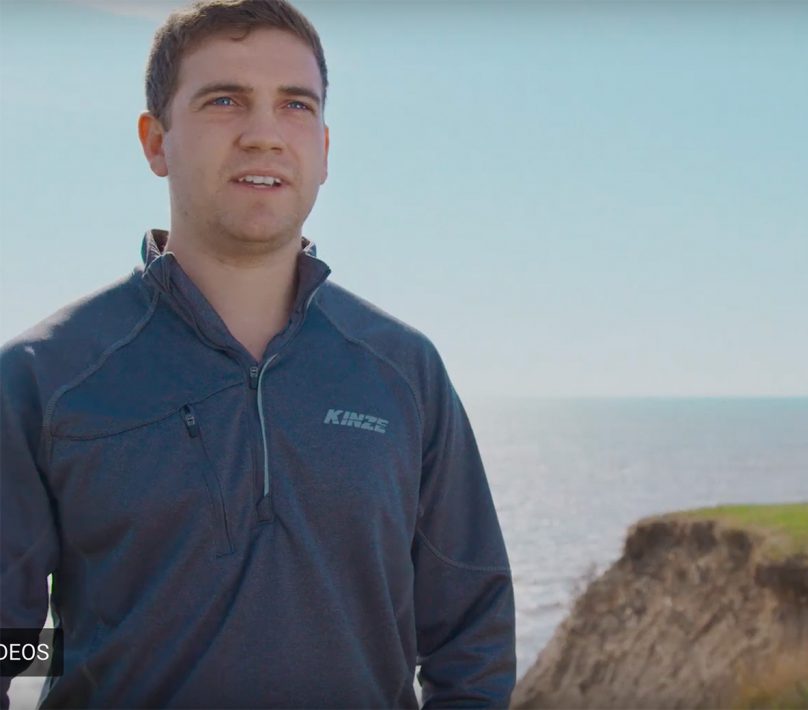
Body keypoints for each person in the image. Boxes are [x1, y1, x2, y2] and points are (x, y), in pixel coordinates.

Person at [0, 0, 516, 707]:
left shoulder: (405, 372)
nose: (265, 135)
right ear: (156, 141)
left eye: (295, 106)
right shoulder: (42, 379)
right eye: (224, 100)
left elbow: (470, 635)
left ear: (326, 150)